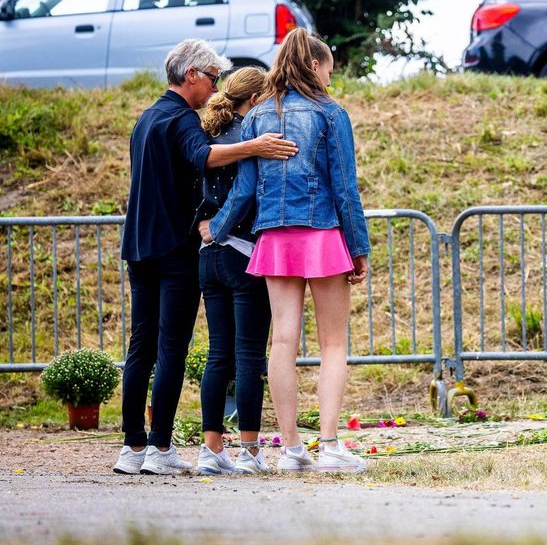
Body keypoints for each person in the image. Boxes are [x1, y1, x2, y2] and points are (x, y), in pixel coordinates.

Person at [114, 39, 298, 476]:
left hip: (138, 246)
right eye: (213, 77)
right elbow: (205, 157)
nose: (215, 87)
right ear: (192, 74)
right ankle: (160, 450)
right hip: (176, 250)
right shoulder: (182, 120)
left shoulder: (146, 119)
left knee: (141, 348)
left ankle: (131, 446)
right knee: (172, 348)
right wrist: (255, 146)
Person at [200, 28, 370, 473]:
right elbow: (345, 188)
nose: (332, 76)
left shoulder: (257, 118)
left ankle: (290, 449)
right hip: (322, 233)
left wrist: (214, 228)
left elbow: (245, 189)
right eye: (329, 67)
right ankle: (330, 445)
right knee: (334, 344)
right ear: (314, 65)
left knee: (282, 341)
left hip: (274, 237)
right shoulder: (331, 114)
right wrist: (359, 247)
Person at [193, 67, 274, 475]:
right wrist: (223, 229)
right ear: (256, 98)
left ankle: (211, 451)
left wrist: (206, 232)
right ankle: (249, 452)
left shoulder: (209, 136)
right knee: (248, 357)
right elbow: (243, 193)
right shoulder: (249, 137)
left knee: (218, 356)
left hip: (208, 258)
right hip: (242, 254)